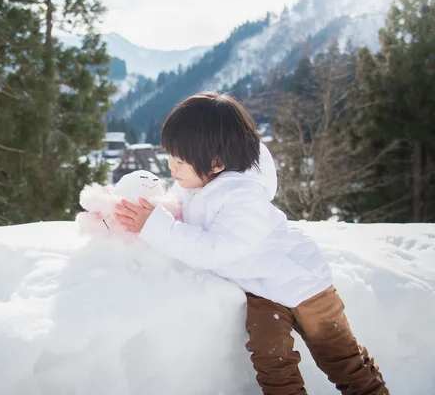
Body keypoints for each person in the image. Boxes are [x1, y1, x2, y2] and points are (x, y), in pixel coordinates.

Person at [114, 91, 388, 395]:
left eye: (180, 160)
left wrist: (156, 227)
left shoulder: (243, 196)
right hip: (260, 291)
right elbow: (181, 218)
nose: (171, 167)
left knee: (341, 360)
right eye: (170, 156)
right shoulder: (196, 184)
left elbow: (216, 250)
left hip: (302, 285)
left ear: (216, 162)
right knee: (272, 362)